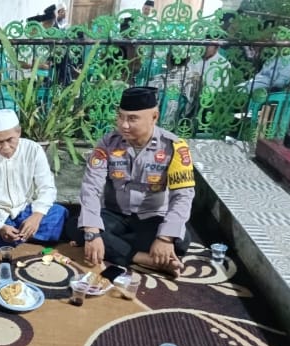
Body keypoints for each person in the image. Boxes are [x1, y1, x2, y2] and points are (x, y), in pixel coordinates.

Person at [65, 87, 195, 277]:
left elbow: (183, 196)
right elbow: (91, 188)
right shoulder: (108, 143)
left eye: (132, 119)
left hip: (152, 217)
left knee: (181, 241)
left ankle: (119, 249)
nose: (124, 125)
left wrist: (165, 238)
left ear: (154, 117)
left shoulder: (174, 147)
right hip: (115, 214)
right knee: (76, 226)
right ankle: (146, 259)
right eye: (120, 117)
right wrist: (92, 232)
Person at [0, 109, 68, 254]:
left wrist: (36, 216)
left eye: (10, 140)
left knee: (58, 213)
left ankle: (14, 239)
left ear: (19, 132)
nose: (5, 147)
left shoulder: (33, 150)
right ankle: (26, 238)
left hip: (25, 211)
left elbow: (47, 188)